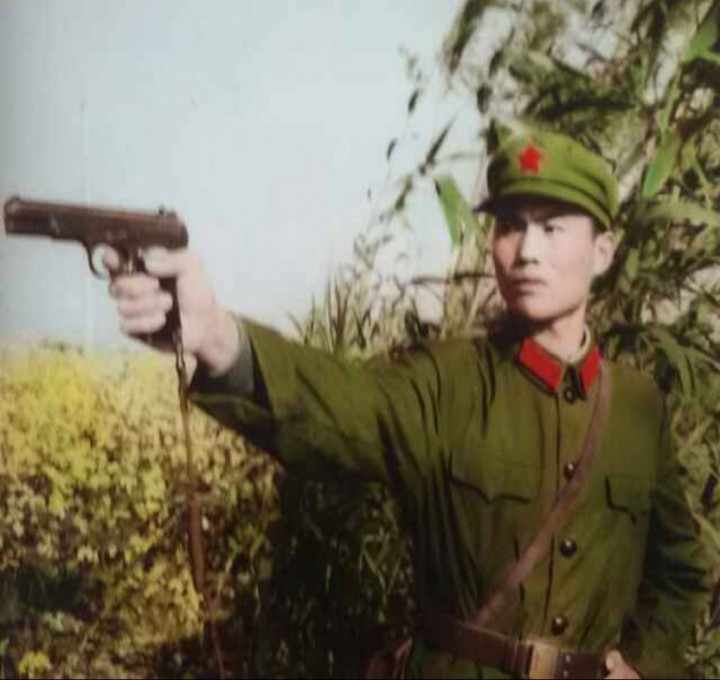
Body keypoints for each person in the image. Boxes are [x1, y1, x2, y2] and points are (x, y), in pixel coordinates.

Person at [104, 128, 711, 679]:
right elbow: (338, 403)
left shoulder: (639, 408)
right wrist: (214, 333)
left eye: (552, 228)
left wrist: (646, 666)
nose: (527, 250)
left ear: (602, 251)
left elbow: (681, 571)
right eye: (510, 226)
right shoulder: (444, 380)